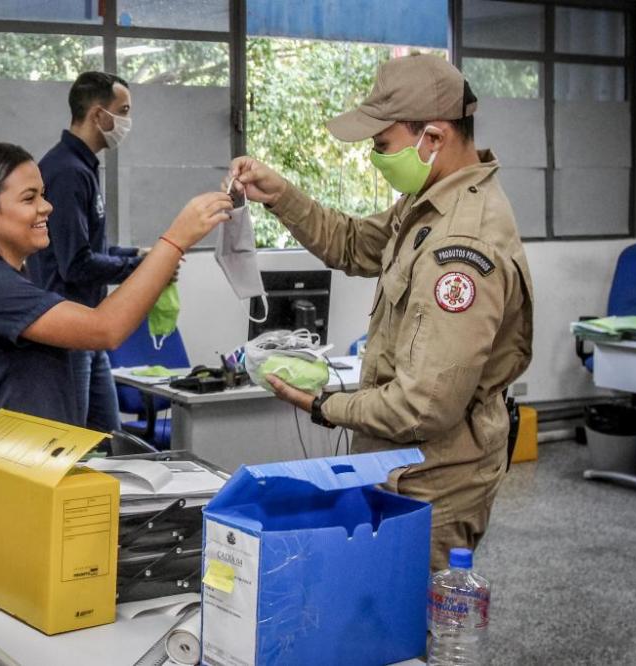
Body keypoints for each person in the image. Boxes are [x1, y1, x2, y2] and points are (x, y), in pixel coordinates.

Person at [0, 142, 230, 665]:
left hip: (27, 490)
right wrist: (175, 240)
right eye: (29, 198)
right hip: (1, 501)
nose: (46, 208)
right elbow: (105, 329)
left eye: (43, 195)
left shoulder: (14, 280)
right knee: (2, 646)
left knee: (22, 644)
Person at [228, 54, 534, 572]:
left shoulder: (460, 247)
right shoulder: (429, 201)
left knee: (410, 633)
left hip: (433, 481)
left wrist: (324, 404)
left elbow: (422, 407)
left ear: (432, 138)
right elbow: (352, 245)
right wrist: (280, 196)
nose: (374, 156)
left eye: (381, 144)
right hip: (401, 466)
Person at [27, 71, 146, 434]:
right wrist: (137, 269)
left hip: (87, 327)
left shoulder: (83, 168)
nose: (127, 122)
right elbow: (75, 264)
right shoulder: (66, 172)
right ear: (98, 115)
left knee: (107, 437)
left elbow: (90, 247)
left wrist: (136, 255)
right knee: (73, 441)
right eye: (122, 111)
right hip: (68, 328)